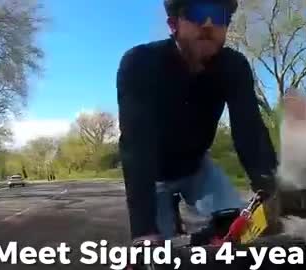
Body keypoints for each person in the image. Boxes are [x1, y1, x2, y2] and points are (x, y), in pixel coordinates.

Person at [116, 0, 278, 246]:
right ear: (173, 25)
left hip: (197, 166)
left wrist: (272, 190)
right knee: (157, 252)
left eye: (219, 15)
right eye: (197, 13)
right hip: (153, 174)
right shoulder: (140, 63)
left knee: (243, 231)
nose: (209, 23)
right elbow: (136, 145)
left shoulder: (234, 67)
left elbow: (250, 131)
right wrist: (143, 228)